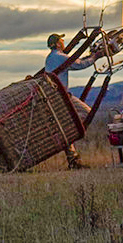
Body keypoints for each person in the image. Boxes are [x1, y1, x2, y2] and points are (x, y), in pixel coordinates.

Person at [44, 33, 100, 169]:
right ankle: (73, 134)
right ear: (58, 43)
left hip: (55, 96)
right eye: (61, 40)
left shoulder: (51, 58)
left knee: (64, 127)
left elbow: (75, 60)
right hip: (61, 97)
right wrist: (96, 56)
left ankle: (72, 159)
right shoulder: (59, 57)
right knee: (87, 113)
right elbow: (80, 64)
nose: (63, 42)